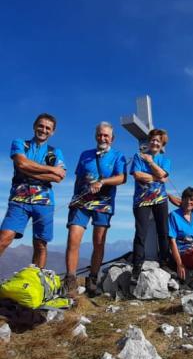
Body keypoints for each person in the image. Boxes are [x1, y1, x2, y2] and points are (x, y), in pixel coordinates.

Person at [63, 122, 127, 297]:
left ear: (112, 139)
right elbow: (78, 179)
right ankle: (70, 280)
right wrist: (73, 199)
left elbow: (122, 178)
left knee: (99, 242)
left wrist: (102, 182)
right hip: (81, 201)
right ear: (95, 136)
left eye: (106, 135)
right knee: (73, 239)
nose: (102, 138)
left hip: (103, 203)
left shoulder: (118, 156)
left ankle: (92, 279)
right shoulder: (85, 155)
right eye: (100, 134)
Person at [0, 113, 66, 269]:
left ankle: (36, 281)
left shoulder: (56, 152)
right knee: (4, 238)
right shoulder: (20, 143)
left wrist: (28, 169)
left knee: (40, 244)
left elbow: (59, 177)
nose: (43, 130)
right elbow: (21, 163)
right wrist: (51, 170)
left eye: (48, 128)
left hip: (44, 202)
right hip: (18, 200)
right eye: (41, 126)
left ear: (52, 132)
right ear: (34, 126)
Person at [130, 129, 170, 282]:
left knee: (163, 231)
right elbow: (137, 175)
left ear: (162, 145)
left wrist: (150, 162)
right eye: (152, 140)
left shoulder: (165, 160)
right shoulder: (137, 156)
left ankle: (165, 262)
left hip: (160, 199)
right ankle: (137, 265)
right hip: (141, 199)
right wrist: (158, 177)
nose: (154, 143)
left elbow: (164, 175)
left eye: (158, 141)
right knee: (141, 232)